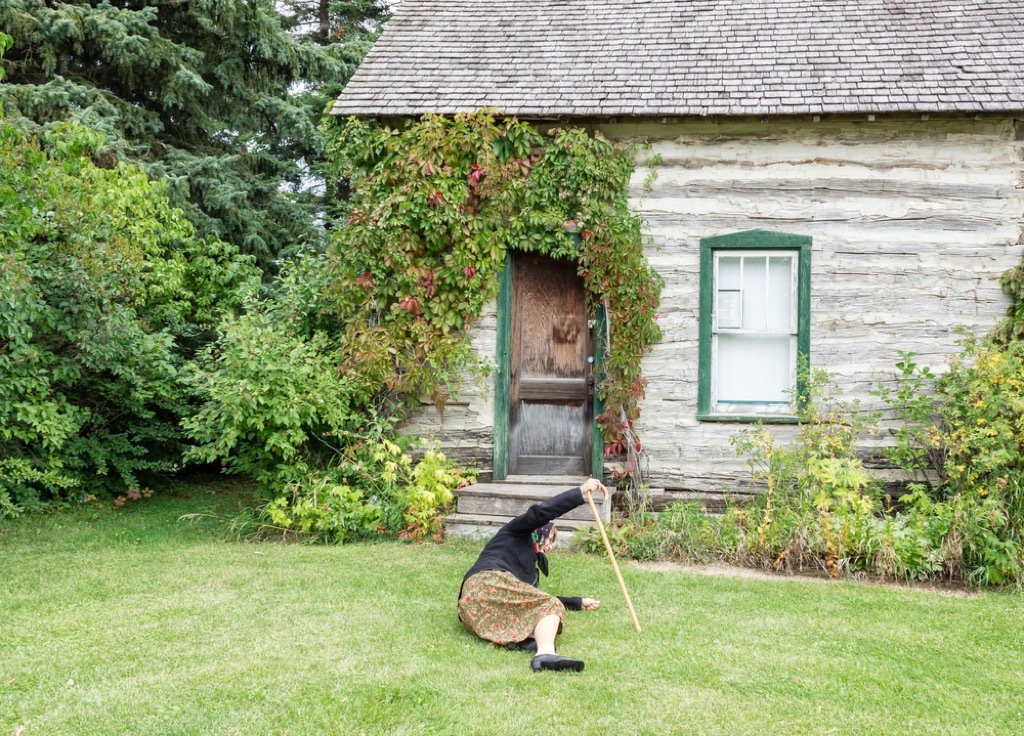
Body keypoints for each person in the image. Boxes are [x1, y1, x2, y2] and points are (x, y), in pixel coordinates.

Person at [458, 477, 605, 672]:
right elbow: (543, 512)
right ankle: (545, 652)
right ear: (539, 529)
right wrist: (580, 492)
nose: (548, 545)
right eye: (548, 538)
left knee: (544, 608)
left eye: (552, 542)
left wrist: (577, 602)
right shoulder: (517, 532)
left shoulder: (529, 572)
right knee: (550, 606)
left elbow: (533, 599)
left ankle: (534, 647)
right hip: (486, 581)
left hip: (474, 611)